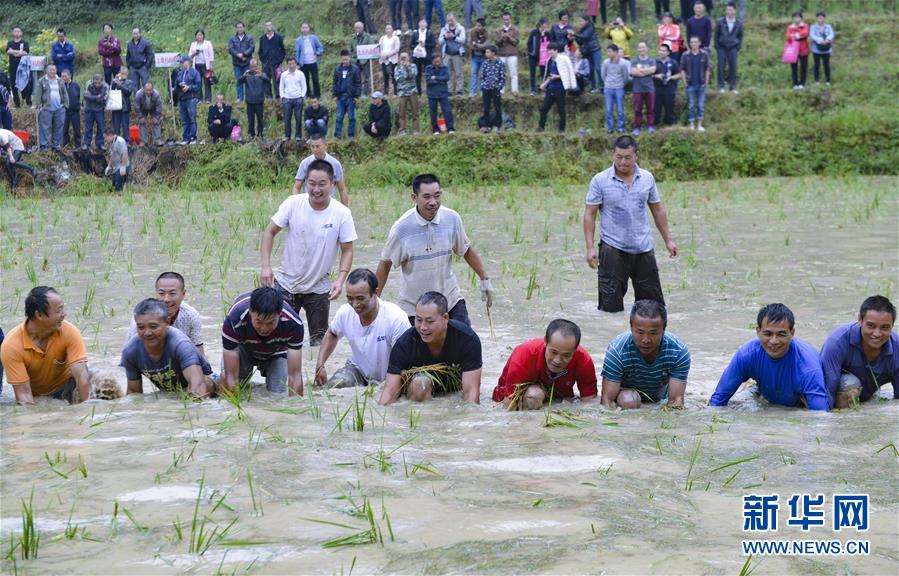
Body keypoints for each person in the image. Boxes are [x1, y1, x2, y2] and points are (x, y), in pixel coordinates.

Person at [376, 173, 494, 326]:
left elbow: (466, 250)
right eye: (426, 197)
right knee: (418, 349)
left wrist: (484, 279)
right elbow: (385, 264)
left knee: (465, 341)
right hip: (415, 307)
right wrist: (375, 300)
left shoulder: (452, 219)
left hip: (449, 300)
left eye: (437, 196)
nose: (433, 202)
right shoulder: (402, 229)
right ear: (414, 197)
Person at [261, 159, 357, 345]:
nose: (316, 189)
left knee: (319, 343)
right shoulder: (293, 203)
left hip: (319, 289)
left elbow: (347, 250)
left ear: (332, 184)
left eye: (322, 184)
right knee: (279, 341)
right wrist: (265, 266)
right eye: (311, 184)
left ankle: (315, 373)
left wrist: (340, 280)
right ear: (305, 183)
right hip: (286, 284)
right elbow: (269, 232)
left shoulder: (341, 213)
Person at [583, 136, 678, 313]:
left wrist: (668, 240)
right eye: (619, 157)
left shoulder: (647, 178)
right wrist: (590, 248)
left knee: (653, 308)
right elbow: (590, 214)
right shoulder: (600, 180)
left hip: (643, 247)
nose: (623, 162)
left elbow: (658, 210)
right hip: (612, 248)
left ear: (636, 156)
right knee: (610, 308)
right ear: (613, 154)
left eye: (627, 157)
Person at [710, 304, 830, 411]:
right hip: (762, 393)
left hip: (799, 403)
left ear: (792, 333)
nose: (773, 341)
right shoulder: (747, 354)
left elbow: (819, 416)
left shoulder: (808, 367)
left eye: (781, 334)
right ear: (758, 332)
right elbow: (717, 401)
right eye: (768, 334)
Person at [379, 291, 482, 405]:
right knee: (420, 384)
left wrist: (471, 419)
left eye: (429, 321)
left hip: (453, 386)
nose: (423, 327)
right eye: (418, 320)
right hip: (418, 388)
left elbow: (471, 392)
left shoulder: (467, 339)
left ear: (445, 318)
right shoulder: (405, 343)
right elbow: (390, 391)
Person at [314, 268, 411, 388]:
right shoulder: (345, 312)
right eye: (350, 298)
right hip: (357, 371)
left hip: (390, 376)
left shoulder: (395, 318)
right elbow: (332, 333)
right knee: (334, 386)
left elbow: (404, 363)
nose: (354, 304)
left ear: (375, 293)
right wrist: (320, 365)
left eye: (360, 298)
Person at [1, 286, 94, 404]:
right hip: (38, 396)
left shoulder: (69, 331)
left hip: (67, 386)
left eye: (63, 309)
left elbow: (81, 376)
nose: (64, 314)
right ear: (39, 315)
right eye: (59, 310)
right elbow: (24, 396)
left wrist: (88, 408)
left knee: (105, 385)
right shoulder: (12, 346)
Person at [600, 300, 689, 409]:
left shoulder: (678, 352)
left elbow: (676, 402)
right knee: (628, 401)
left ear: (664, 330)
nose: (646, 340)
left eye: (653, 333)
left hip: (661, 398)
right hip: (626, 396)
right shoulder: (617, 350)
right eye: (640, 332)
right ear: (631, 328)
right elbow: (607, 401)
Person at [493, 319, 597, 410]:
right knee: (534, 396)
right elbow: (508, 405)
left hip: (559, 396)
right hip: (526, 396)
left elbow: (589, 403)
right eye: (553, 352)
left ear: (575, 350)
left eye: (566, 355)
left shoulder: (583, 360)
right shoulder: (524, 355)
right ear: (545, 342)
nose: (558, 360)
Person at [122, 298, 214, 399]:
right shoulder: (130, 351)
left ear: (167, 322)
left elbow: (198, 388)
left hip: (203, 384)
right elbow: (134, 393)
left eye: (153, 326)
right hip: (169, 391)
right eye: (141, 327)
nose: (147, 333)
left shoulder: (181, 345)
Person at [221, 287, 304, 395]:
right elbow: (230, 376)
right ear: (251, 311)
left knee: (277, 394)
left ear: (280, 314)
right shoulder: (234, 320)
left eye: (270, 323)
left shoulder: (293, 324)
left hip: (276, 350)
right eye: (259, 322)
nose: (264, 329)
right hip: (243, 349)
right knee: (232, 384)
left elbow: (295, 375)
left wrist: (297, 407)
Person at [821, 296, 898, 409]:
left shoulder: (897, 348)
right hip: (843, 389)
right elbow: (827, 390)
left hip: (868, 394)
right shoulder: (837, 342)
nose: (877, 334)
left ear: (892, 326)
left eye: (885, 328)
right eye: (871, 326)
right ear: (860, 320)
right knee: (850, 385)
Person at [125, 272, 206, 359]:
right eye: (161, 293)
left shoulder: (191, 315)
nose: (166, 299)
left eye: (172, 293)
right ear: (156, 293)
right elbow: (133, 354)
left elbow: (199, 352)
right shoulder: (142, 316)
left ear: (183, 294)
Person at [294, 135, 348, 203]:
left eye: (318, 146)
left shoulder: (335, 164)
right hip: (309, 204)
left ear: (325, 146)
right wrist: (296, 204)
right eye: (312, 147)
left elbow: (342, 189)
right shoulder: (305, 163)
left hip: (329, 205)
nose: (315, 149)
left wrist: (345, 211)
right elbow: (296, 187)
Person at [537, 43, 575, 133]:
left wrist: (557, 77)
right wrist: (544, 84)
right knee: (544, 108)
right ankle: (541, 127)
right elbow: (548, 75)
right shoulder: (549, 61)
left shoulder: (563, 59)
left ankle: (562, 129)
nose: (549, 52)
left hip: (560, 88)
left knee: (561, 109)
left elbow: (567, 73)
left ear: (556, 50)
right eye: (548, 50)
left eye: (551, 50)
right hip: (551, 88)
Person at [35, 64, 69, 151]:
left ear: (56, 71)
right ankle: (44, 146)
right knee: (44, 128)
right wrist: (39, 106)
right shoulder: (41, 81)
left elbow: (65, 93)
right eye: (50, 70)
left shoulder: (60, 81)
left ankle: (56, 145)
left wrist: (65, 105)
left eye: (54, 70)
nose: (52, 71)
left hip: (59, 109)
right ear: (47, 71)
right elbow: (38, 95)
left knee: (58, 127)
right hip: (46, 109)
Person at [681, 36, 710, 131]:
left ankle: (699, 125)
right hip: (690, 84)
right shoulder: (686, 55)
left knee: (701, 105)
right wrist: (684, 81)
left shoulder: (704, 54)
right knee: (691, 105)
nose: (693, 44)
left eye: (695, 42)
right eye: (692, 42)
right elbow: (682, 69)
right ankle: (692, 125)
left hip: (701, 84)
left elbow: (707, 68)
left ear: (699, 43)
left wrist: (706, 81)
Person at [601, 44, 631, 133]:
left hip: (619, 88)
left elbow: (626, 76)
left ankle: (620, 128)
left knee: (620, 109)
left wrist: (622, 84)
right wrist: (607, 83)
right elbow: (603, 75)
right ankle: (610, 129)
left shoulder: (623, 63)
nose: (608, 53)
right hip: (608, 88)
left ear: (615, 52)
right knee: (608, 110)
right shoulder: (606, 62)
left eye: (610, 52)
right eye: (608, 52)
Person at [714, 1, 743, 93]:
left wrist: (738, 47)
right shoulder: (720, 21)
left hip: (733, 47)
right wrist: (717, 47)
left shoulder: (738, 23)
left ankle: (733, 87)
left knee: (733, 67)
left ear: (734, 11)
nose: (729, 12)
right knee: (720, 66)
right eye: (727, 10)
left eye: (730, 10)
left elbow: (740, 36)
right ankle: (721, 86)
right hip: (722, 47)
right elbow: (716, 35)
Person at [332, 50, 361, 139]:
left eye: (347, 59)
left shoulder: (355, 69)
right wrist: (335, 95)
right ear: (341, 59)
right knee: (339, 117)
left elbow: (358, 83)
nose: (345, 61)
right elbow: (335, 83)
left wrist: (356, 96)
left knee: (351, 117)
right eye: (344, 60)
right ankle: (337, 135)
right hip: (340, 97)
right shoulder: (337, 69)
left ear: (349, 58)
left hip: (350, 97)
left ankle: (351, 135)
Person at [652, 43, 682, 127]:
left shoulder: (673, 62)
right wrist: (656, 76)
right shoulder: (654, 62)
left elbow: (679, 75)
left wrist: (670, 77)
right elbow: (649, 75)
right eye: (660, 50)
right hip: (657, 89)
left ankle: (670, 125)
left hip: (669, 89)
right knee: (656, 109)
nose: (662, 52)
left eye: (664, 51)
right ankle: (655, 126)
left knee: (670, 109)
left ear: (668, 52)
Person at [238, 59, 269, 139]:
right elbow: (239, 82)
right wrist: (244, 76)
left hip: (259, 100)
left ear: (257, 66)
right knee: (250, 119)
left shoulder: (262, 74)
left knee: (260, 118)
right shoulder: (247, 75)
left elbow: (268, 80)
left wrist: (260, 75)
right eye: (252, 67)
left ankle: (260, 134)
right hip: (250, 101)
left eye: (255, 66)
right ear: (249, 67)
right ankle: (251, 135)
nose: (253, 68)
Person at [630, 41, 656, 134]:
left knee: (651, 108)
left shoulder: (651, 60)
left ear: (647, 49)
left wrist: (640, 71)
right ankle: (637, 127)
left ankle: (651, 126)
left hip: (649, 88)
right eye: (640, 47)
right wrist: (646, 71)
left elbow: (653, 70)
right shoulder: (634, 60)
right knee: (637, 109)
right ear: (637, 49)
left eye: (643, 47)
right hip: (638, 89)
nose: (641, 49)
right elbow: (633, 72)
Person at [424, 54, 454, 134]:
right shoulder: (428, 68)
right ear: (432, 61)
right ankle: (435, 130)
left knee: (447, 111)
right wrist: (440, 80)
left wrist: (435, 78)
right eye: (436, 61)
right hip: (432, 94)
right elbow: (428, 80)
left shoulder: (444, 67)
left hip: (443, 93)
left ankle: (450, 128)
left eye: (439, 61)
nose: (438, 62)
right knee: (433, 112)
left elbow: (446, 78)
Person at [571, 15, 602, 93]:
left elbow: (585, 37)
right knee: (591, 69)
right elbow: (581, 42)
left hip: (595, 49)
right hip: (587, 51)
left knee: (598, 68)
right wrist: (574, 38)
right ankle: (593, 87)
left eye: (581, 21)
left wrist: (574, 34)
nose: (580, 23)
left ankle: (602, 86)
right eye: (580, 21)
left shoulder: (590, 27)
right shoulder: (582, 30)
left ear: (587, 21)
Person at [175, 56, 201, 144]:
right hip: (181, 99)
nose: (181, 64)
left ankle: (192, 137)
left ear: (187, 62)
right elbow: (176, 86)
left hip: (191, 98)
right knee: (184, 120)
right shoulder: (179, 73)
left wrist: (189, 87)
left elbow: (198, 86)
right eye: (180, 63)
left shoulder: (195, 73)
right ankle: (185, 138)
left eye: (182, 62)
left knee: (192, 118)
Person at [479, 45, 505, 133]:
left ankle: (498, 126)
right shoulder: (485, 63)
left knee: (497, 107)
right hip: (486, 88)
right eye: (486, 52)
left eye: (488, 52)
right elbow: (482, 76)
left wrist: (499, 87)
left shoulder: (500, 63)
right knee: (486, 108)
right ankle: (486, 125)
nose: (486, 54)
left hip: (495, 89)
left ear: (493, 53)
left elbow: (502, 77)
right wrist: (483, 86)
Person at [280, 57, 307, 140]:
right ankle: (287, 136)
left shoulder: (300, 74)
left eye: (293, 63)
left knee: (298, 118)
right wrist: (282, 97)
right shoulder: (284, 74)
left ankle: (298, 136)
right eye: (290, 64)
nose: (291, 65)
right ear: (287, 64)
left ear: (296, 64)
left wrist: (302, 96)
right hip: (287, 99)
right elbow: (281, 86)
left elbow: (304, 86)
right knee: (287, 118)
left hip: (298, 98)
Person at [439, 14, 466, 96]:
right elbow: (440, 41)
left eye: (452, 20)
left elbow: (463, 40)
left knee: (458, 73)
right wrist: (445, 37)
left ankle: (459, 91)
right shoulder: (444, 29)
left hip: (457, 54)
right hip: (447, 54)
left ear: (455, 19)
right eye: (448, 21)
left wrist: (454, 37)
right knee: (447, 73)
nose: (450, 22)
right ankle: (449, 91)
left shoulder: (461, 29)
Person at [295, 23, 324, 99]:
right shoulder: (298, 40)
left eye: (306, 27)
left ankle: (317, 95)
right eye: (303, 28)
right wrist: (297, 63)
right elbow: (297, 52)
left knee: (315, 79)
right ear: (301, 29)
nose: (304, 29)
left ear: (309, 29)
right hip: (303, 63)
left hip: (313, 62)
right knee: (305, 80)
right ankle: (308, 95)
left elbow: (320, 47)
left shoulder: (314, 38)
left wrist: (317, 54)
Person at [394, 52, 420, 135]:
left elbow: (413, 76)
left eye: (405, 57)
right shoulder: (397, 68)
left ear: (408, 57)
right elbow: (398, 79)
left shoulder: (413, 66)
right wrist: (406, 76)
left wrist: (406, 68)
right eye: (402, 57)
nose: (403, 59)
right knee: (402, 113)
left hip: (413, 92)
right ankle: (402, 130)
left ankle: (416, 130)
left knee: (415, 112)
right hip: (402, 92)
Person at [258, 21, 286, 99]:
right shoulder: (262, 38)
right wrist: (263, 60)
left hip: (276, 63)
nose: (268, 27)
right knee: (266, 81)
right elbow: (260, 51)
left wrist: (279, 60)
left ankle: (278, 97)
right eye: (266, 25)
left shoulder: (278, 37)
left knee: (277, 80)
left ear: (272, 26)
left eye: (270, 25)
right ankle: (268, 97)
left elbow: (283, 50)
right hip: (266, 63)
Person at [494, 12, 520, 94]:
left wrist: (509, 37)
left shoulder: (515, 29)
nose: (506, 21)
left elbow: (516, 42)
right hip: (501, 54)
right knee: (501, 73)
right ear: (502, 20)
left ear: (510, 19)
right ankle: (501, 90)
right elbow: (497, 43)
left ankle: (514, 90)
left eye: (507, 19)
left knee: (513, 73)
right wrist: (502, 37)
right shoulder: (498, 30)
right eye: (504, 20)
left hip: (512, 54)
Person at [229, 21, 255, 102]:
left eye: (241, 27)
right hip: (237, 63)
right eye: (238, 27)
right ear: (236, 29)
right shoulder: (232, 39)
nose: (239, 29)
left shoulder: (249, 38)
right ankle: (240, 98)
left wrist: (243, 54)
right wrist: (237, 54)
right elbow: (230, 49)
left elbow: (252, 48)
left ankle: (249, 97)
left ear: (243, 28)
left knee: (248, 80)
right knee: (239, 80)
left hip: (247, 63)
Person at [6, 27, 32, 108]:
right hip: (13, 67)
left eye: (18, 31)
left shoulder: (25, 43)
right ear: (13, 33)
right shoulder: (10, 43)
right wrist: (19, 52)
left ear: (21, 33)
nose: (17, 32)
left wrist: (14, 52)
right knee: (13, 85)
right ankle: (17, 104)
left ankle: (28, 103)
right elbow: (8, 51)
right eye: (15, 31)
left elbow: (26, 52)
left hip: (23, 68)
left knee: (26, 85)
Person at [82, 74, 108, 150]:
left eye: (99, 83)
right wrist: (97, 97)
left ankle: (100, 144)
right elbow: (85, 96)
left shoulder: (106, 86)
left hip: (99, 110)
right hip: (89, 109)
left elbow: (103, 99)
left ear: (102, 81)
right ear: (93, 81)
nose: (97, 85)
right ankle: (86, 143)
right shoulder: (88, 84)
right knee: (88, 127)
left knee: (100, 127)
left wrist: (92, 97)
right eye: (95, 83)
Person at [411, 18, 437, 95]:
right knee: (417, 74)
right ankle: (418, 91)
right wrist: (417, 45)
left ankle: (429, 90)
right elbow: (411, 45)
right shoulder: (415, 33)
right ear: (418, 24)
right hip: (417, 57)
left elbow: (433, 45)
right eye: (421, 23)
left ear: (426, 24)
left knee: (428, 73)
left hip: (427, 57)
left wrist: (424, 44)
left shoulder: (429, 33)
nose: (422, 24)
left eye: (424, 23)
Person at [189, 29, 215, 103]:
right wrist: (194, 53)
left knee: (207, 82)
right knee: (198, 82)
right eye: (198, 35)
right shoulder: (193, 44)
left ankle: (208, 99)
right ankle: (199, 98)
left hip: (205, 65)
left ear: (203, 35)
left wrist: (211, 65)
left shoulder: (208, 43)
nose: (199, 36)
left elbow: (211, 54)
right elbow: (189, 56)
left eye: (201, 35)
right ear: (196, 36)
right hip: (196, 65)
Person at [110, 69, 135, 143]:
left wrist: (120, 85)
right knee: (116, 126)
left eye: (125, 73)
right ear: (119, 73)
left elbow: (128, 92)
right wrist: (115, 82)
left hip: (125, 107)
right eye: (122, 73)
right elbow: (111, 91)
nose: (123, 75)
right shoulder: (114, 81)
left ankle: (127, 141)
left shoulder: (130, 82)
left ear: (127, 73)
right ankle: (116, 141)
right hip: (115, 107)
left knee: (125, 125)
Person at [527, 18, 551, 96]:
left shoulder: (548, 34)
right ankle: (533, 90)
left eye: (547, 24)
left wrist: (543, 36)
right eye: (545, 23)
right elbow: (529, 43)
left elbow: (550, 43)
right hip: (533, 56)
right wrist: (532, 51)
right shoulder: (534, 32)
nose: (547, 25)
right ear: (541, 24)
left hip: (543, 57)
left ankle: (543, 89)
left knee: (543, 73)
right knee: (532, 73)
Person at [786, 11, 810, 90]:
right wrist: (798, 35)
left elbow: (805, 33)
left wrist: (795, 35)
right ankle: (795, 83)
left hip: (803, 49)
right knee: (794, 67)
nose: (797, 19)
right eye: (795, 18)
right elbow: (788, 37)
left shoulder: (805, 25)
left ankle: (802, 83)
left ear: (801, 18)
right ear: (793, 19)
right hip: (793, 50)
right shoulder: (790, 27)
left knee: (804, 67)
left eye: (798, 17)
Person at [134, 81, 163, 146]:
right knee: (142, 122)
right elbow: (136, 106)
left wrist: (156, 117)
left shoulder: (157, 95)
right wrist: (140, 117)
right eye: (147, 90)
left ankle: (157, 140)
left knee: (157, 122)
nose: (148, 92)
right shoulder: (138, 94)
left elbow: (159, 107)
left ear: (152, 89)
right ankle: (143, 141)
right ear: (144, 89)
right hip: (143, 109)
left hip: (153, 109)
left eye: (150, 90)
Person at [350, 22, 375, 97]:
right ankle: (358, 93)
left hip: (365, 61)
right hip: (356, 60)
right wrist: (352, 57)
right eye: (356, 28)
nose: (357, 29)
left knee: (367, 78)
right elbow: (350, 49)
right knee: (357, 78)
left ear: (362, 28)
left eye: (359, 28)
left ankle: (366, 93)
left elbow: (372, 47)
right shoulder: (353, 37)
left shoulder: (367, 36)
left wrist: (368, 55)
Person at [809, 11, 833, 85]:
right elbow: (812, 35)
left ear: (824, 18)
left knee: (826, 65)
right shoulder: (813, 27)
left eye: (822, 18)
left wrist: (827, 40)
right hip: (816, 49)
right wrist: (820, 40)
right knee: (816, 65)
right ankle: (816, 80)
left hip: (826, 49)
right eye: (819, 18)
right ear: (816, 18)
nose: (820, 19)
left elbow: (831, 34)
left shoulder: (828, 26)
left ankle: (828, 80)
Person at [467, 18, 489, 97]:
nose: (477, 27)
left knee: (483, 74)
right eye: (476, 25)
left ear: (483, 27)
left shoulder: (487, 34)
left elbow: (486, 45)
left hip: (484, 57)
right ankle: (473, 91)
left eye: (479, 26)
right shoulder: (472, 32)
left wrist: (477, 45)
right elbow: (469, 44)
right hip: (475, 56)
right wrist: (476, 46)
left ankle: (483, 91)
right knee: (473, 73)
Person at [60, 70, 82, 147]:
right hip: (65, 111)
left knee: (77, 129)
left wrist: (77, 106)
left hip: (75, 111)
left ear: (69, 76)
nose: (63, 78)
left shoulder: (76, 85)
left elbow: (78, 97)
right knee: (64, 129)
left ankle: (78, 145)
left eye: (65, 76)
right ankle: (66, 145)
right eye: (62, 76)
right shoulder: (61, 86)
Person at [378, 24, 401, 96]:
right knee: (385, 76)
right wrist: (382, 56)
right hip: (384, 60)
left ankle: (395, 92)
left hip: (392, 60)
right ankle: (386, 92)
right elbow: (379, 48)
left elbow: (397, 49)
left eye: (389, 28)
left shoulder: (396, 38)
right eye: (386, 29)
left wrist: (388, 55)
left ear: (392, 30)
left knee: (394, 76)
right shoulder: (382, 38)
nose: (388, 30)